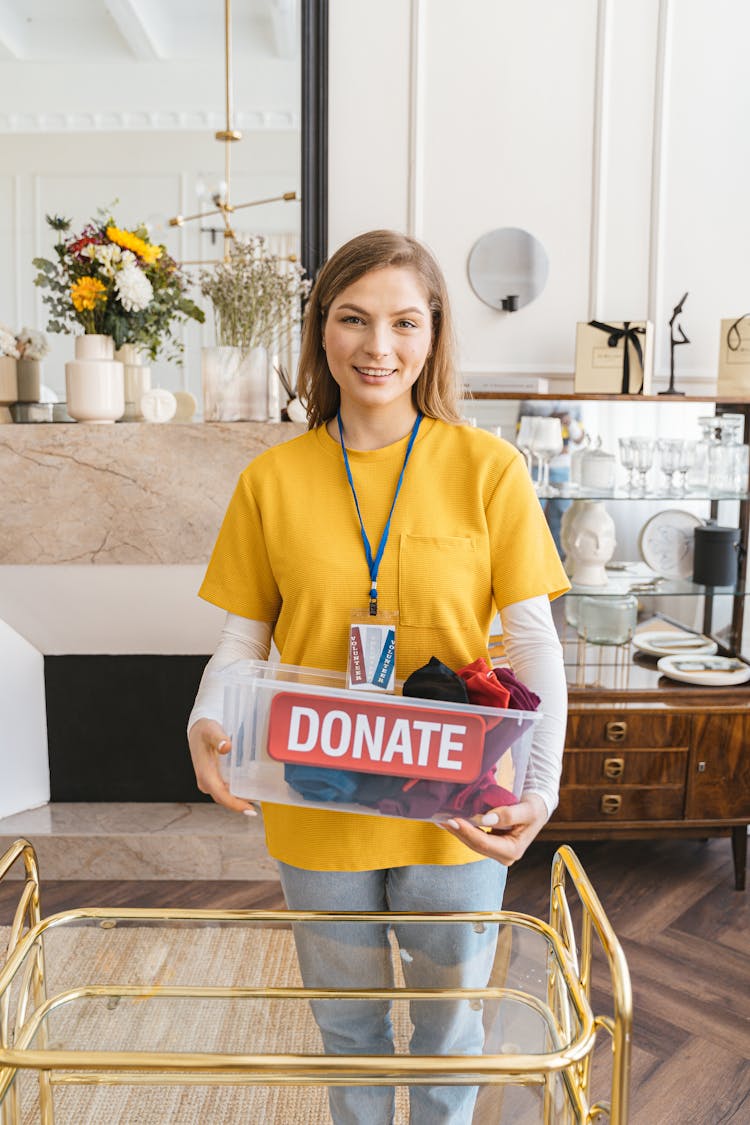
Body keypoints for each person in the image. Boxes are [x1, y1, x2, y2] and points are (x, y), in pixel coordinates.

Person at [187, 229, 569, 1123]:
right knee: (347, 1028)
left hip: (458, 807)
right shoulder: (270, 480)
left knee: (448, 1034)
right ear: (321, 330)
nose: (378, 345)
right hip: (315, 800)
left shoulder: (489, 469)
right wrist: (205, 719)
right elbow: (244, 640)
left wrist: (541, 788)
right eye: (353, 318)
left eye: (404, 321)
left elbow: (536, 643)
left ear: (433, 335)